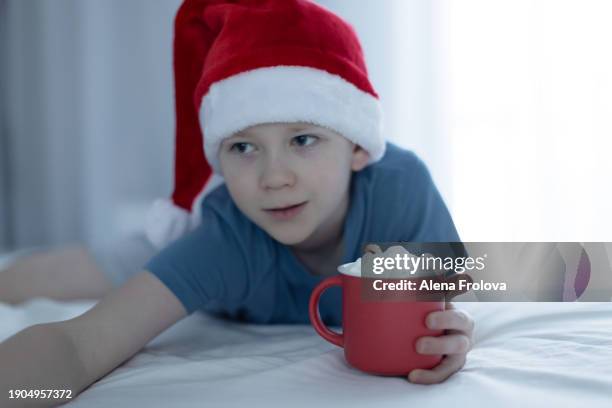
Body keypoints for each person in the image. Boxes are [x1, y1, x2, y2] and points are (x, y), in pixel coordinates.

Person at [0, 1, 474, 406]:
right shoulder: (226, 234)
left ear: (357, 149)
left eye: (303, 139)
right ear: (219, 164)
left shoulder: (400, 190)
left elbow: (456, 292)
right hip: (204, 254)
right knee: (69, 272)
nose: (273, 177)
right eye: (243, 148)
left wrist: (455, 329)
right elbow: (80, 347)